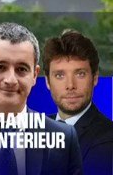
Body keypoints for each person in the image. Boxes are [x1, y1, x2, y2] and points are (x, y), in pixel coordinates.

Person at [0, 23, 84, 175]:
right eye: (0, 67)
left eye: (21, 69)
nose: (11, 80)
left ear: (35, 75)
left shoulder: (64, 139)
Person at [42, 30, 113, 175]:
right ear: (48, 82)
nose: (70, 85)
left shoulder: (108, 138)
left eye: (80, 74)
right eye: (59, 75)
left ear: (94, 78)